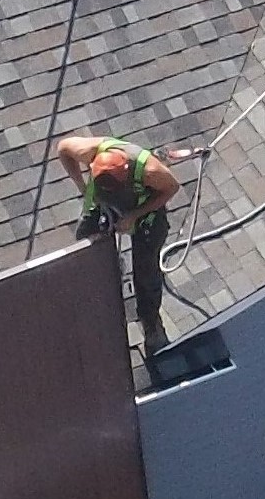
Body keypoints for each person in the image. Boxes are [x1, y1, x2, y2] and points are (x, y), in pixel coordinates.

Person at [55, 134, 179, 349]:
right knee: (84, 246)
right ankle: (99, 280)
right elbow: (63, 148)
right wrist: (82, 187)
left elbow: (171, 188)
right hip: (105, 207)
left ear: (125, 172)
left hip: (146, 214)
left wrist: (134, 216)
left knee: (147, 271)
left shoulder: (150, 172)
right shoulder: (90, 151)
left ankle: (151, 323)